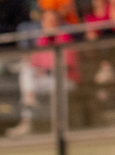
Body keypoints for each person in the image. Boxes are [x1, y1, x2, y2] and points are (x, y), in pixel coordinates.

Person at [5, 9, 80, 137]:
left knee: (34, 87)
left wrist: (45, 72)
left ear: (57, 22)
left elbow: (65, 67)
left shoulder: (64, 37)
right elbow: (34, 64)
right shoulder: (42, 40)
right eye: (45, 21)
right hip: (46, 80)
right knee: (26, 71)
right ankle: (27, 116)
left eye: (51, 21)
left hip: (65, 80)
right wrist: (40, 71)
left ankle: (58, 127)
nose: (48, 24)